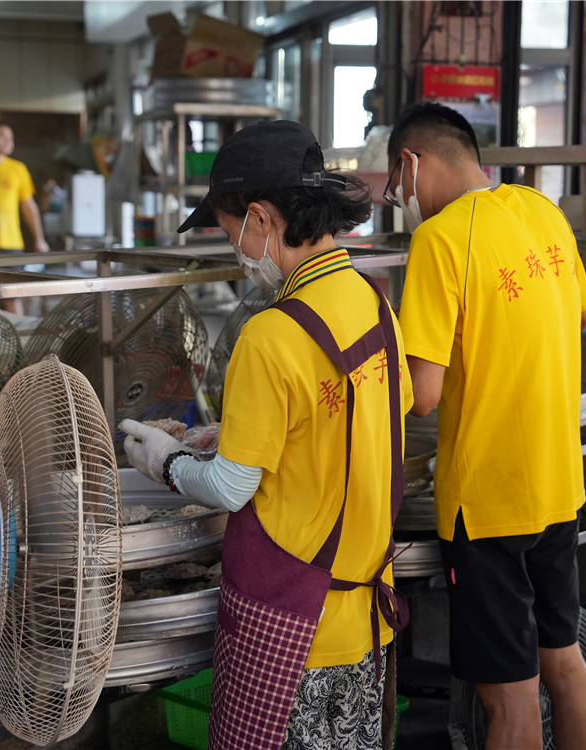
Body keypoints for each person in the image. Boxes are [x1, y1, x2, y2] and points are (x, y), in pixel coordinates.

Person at [120, 120, 413, 750]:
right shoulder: (372, 302)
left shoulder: (271, 335)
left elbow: (229, 488)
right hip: (365, 622)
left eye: (230, 233)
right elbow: (370, 412)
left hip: (291, 630)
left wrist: (166, 461)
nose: (237, 250)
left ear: (260, 219)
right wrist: (240, 431)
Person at [386, 102, 586, 750]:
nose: (400, 199)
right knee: (565, 665)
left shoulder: (440, 239)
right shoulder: (542, 212)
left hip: (486, 507)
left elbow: (420, 397)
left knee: (507, 700)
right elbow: (584, 317)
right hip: (558, 486)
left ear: (411, 164)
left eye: (396, 186)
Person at [0, 121, 49, 314]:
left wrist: (39, 239)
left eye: (11, 137)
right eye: (2, 136)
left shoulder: (18, 169)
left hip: (11, 246)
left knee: (12, 297)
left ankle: (16, 341)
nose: (8, 141)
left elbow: (29, 207)